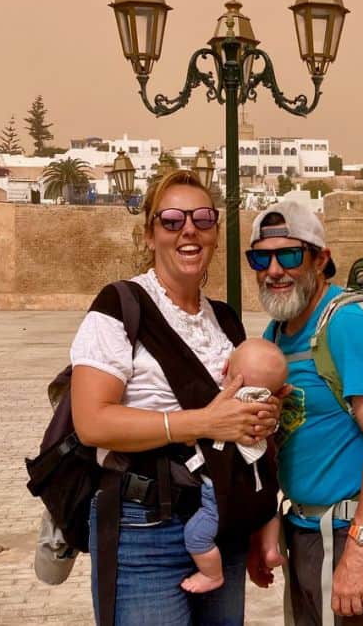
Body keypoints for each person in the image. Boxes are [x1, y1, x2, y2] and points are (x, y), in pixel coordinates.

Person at [69, 169, 280, 626]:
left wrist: (261, 420)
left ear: (216, 235)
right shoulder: (119, 306)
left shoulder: (224, 320)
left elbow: (242, 432)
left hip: (220, 525)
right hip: (144, 529)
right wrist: (203, 423)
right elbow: (92, 422)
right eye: (171, 220)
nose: (189, 230)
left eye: (203, 219)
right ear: (149, 234)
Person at [247, 199, 363, 625]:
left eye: (289, 255)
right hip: (305, 532)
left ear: (321, 259)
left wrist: (359, 551)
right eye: (261, 258)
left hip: (352, 533)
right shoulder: (279, 330)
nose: (274, 270)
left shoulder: (349, 322)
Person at [181, 338, 288, 594]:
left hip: (222, 496)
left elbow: (191, 435)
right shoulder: (267, 411)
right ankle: (271, 548)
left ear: (225, 367)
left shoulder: (221, 405)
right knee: (268, 510)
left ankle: (212, 574)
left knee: (196, 535)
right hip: (260, 491)